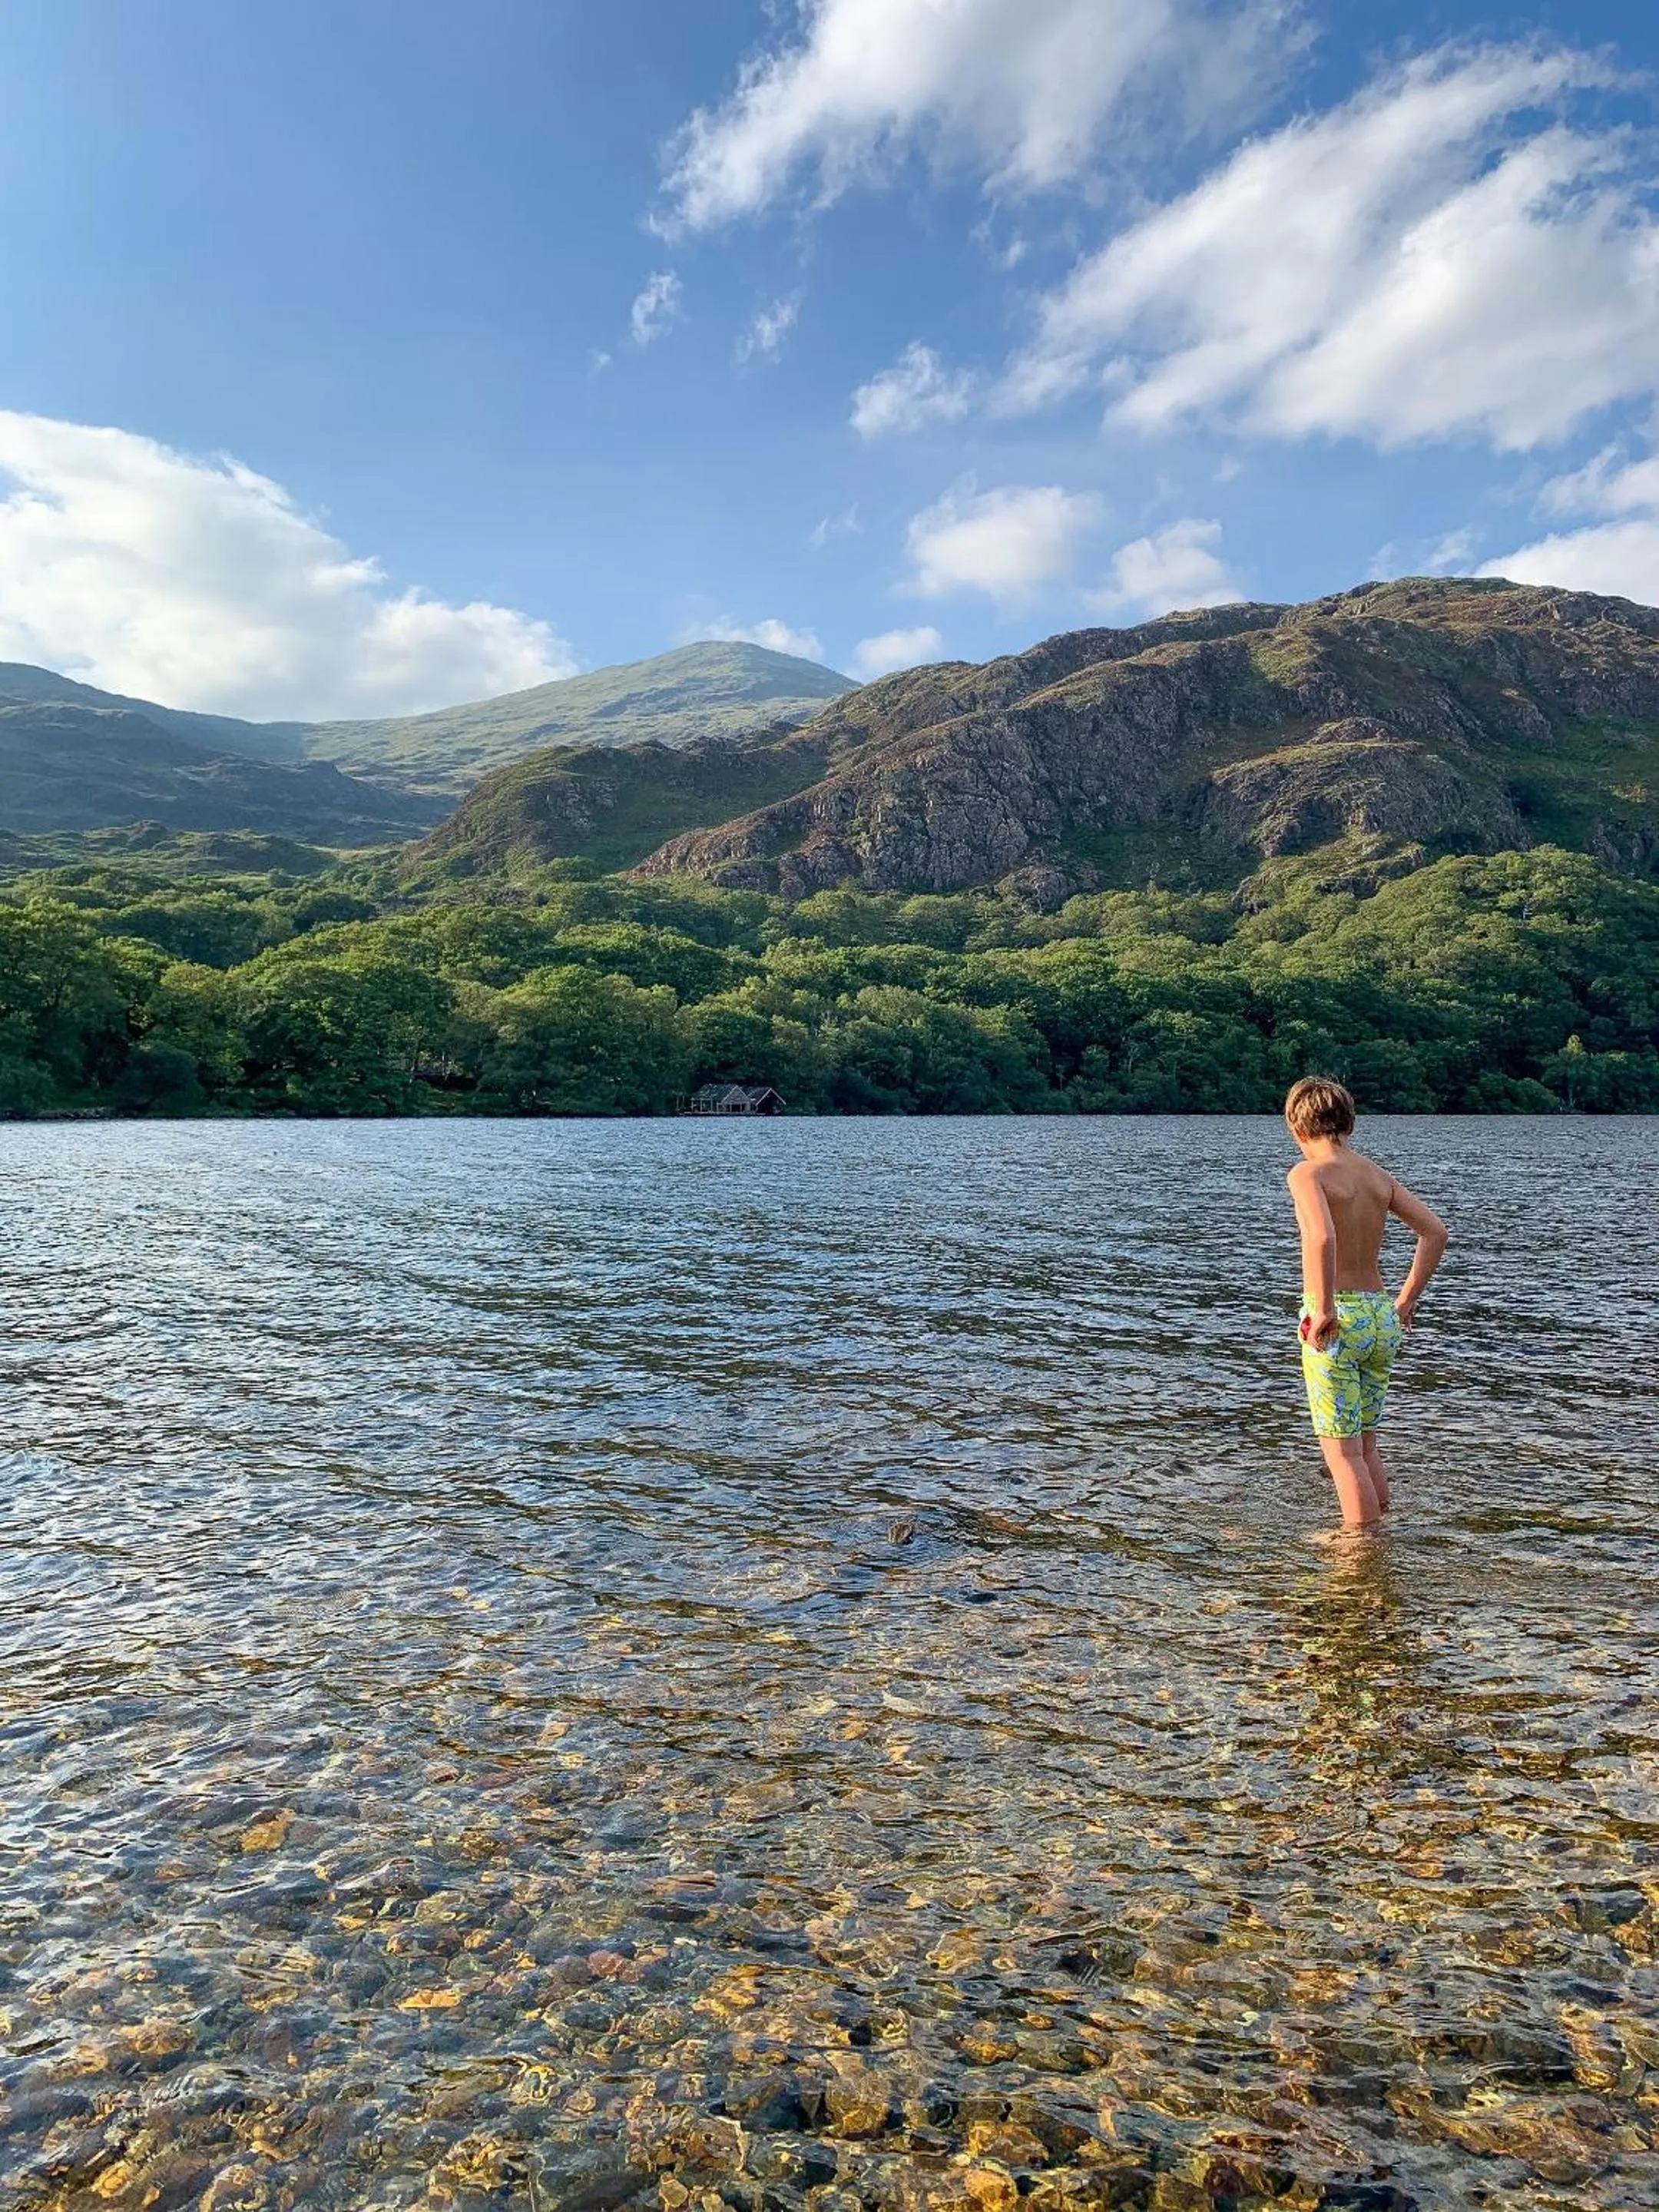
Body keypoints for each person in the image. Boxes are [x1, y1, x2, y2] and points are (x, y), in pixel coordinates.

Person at [1283, 1076, 1449, 1531]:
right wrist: (1406, 1302)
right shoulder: (1377, 1176)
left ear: (1296, 1129)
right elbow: (1435, 1233)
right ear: (1350, 1124)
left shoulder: (1306, 1174)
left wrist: (1323, 1309)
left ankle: (1360, 1550)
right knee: (1367, 1444)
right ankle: (1381, 1523)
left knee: (1341, 1452)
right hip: (1380, 1315)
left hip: (1338, 1317)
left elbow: (1321, 1236)